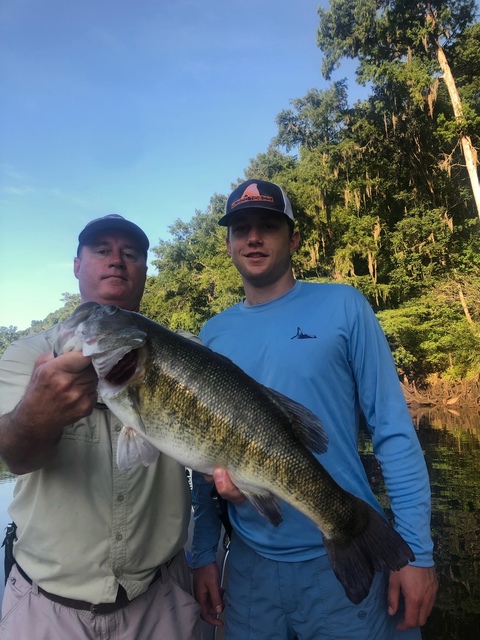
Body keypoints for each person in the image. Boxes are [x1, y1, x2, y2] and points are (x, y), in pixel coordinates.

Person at [191, 179, 438, 639]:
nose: (254, 237)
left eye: (268, 225)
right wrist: (203, 553)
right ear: (228, 243)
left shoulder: (344, 306)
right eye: (241, 228)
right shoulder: (212, 334)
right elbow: (200, 455)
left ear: (295, 238)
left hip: (349, 548)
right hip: (249, 568)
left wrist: (418, 554)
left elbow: (393, 431)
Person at [0, 214, 202, 640]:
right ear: (77, 265)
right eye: (102, 250)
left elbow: (213, 460)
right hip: (47, 608)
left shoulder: (191, 358)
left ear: (145, 270)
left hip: (161, 597)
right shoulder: (26, 356)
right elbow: (15, 458)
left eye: (130, 254)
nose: (117, 261)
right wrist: (37, 412)